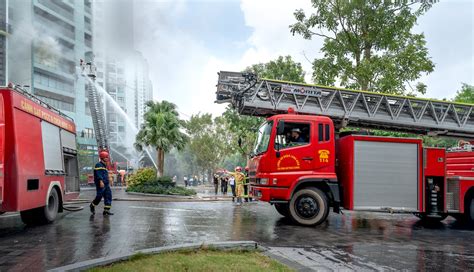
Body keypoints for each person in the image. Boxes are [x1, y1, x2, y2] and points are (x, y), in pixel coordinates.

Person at [89, 151, 113, 216]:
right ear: (102, 157)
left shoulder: (104, 166)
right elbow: (98, 174)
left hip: (106, 184)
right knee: (99, 196)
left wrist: (110, 180)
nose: (107, 158)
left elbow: (105, 175)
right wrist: (101, 181)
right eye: (106, 157)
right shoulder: (98, 165)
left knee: (108, 196)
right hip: (101, 184)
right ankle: (92, 205)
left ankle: (106, 211)